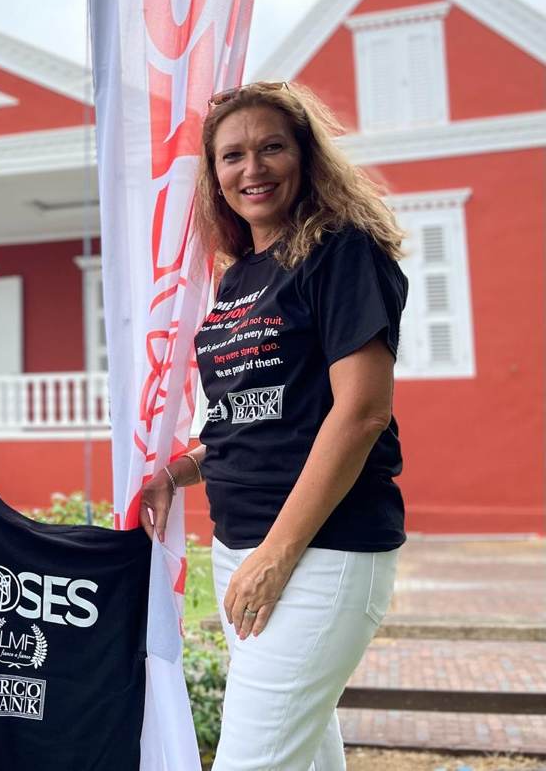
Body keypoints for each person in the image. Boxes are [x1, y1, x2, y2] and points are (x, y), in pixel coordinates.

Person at [139, 82, 408, 771]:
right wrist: (179, 469)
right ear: (215, 173)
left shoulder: (342, 252)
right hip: (243, 542)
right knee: (304, 755)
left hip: (320, 548)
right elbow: (251, 416)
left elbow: (362, 411)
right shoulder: (241, 277)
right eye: (232, 155)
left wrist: (277, 555)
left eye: (271, 148)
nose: (251, 168)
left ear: (305, 156)